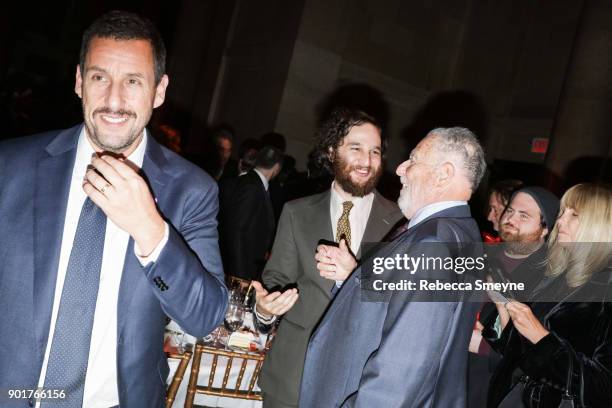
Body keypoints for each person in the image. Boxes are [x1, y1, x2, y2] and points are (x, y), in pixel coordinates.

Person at [0, 11, 227, 408]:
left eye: (133, 82)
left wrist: (151, 232)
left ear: (159, 91)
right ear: (78, 82)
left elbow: (205, 317)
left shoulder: (191, 191)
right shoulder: (11, 166)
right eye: (100, 78)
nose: (114, 101)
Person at [299, 127, 487, 407]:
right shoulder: (455, 232)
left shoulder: (434, 241)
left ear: (444, 174)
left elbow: (403, 368)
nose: (400, 169)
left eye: (413, 160)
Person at [251, 107, 403, 408]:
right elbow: (277, 278)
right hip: (292, 375)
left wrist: (355, 276)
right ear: (332, 151)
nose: (367, 161)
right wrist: (266, 309)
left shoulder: (399, 221)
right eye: (356, 148)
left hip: (356, 383)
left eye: (374, 151)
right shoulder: (297, 212)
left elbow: (402, 300)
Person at [483, 183, 612, 407]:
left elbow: (602, 388)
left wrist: (542, 339)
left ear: (599, 224)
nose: (560, 221)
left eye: (574, 215)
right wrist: (503, 304)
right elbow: (515, 351)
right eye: (562, 212)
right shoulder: (555, 272)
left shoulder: (605, 287)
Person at [468, 186, 559, 407]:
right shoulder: (480, 253)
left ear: (544, 228)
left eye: (524, 215)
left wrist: (480, 345)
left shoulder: (548, 278)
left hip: (487, 387)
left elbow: (534, 353)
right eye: (510, 210)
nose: (510, 218)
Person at [219, 146, 283, 280]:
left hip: (243, 267)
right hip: (241, 271)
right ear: (277, 168)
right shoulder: (252, 186)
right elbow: (237, 230)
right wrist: (240, 277)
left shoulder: (253, 183)